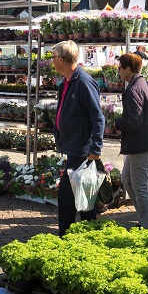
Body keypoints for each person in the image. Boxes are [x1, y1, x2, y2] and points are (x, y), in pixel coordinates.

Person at [50, 40, 105, 235]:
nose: (52, 61)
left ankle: (68, 235)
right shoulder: (66, 82)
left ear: (62, 60)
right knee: (81, 198)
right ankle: (85, 234)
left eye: (53, 57)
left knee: (72, 197)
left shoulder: (83, 81)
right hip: (72, 147)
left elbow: (98, 117)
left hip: (82, 150)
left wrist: (96, 148)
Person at [113, 52, 148, 229]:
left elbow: (135, 122)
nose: (118, 71)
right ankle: (144, 220)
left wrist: (117, 122)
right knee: (127, 180)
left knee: (139, 185)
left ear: (128, 69)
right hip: (142, 141)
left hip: (141, 142)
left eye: (120, 68)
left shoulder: (135, 88)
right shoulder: (142, 83)